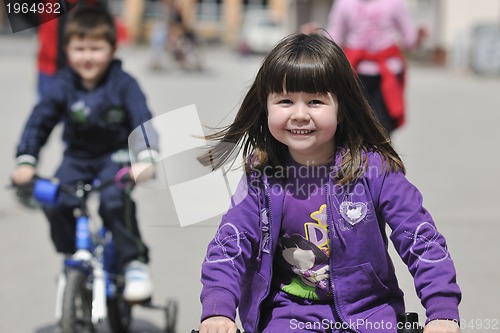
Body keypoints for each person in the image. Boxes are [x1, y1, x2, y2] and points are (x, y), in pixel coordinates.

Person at [196, 33, 461, 333]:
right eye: (285, 101)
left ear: (341, 107)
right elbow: (231, 242)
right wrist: (218, 309)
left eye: (315, 102)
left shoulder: (375, 170)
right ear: (265, 105)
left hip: (370, 315)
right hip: (288, 317)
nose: (299, 115)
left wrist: (442, 312)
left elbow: (419, 238)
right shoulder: (262, 175)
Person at [11, 5, 159, 303]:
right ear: (67, 49)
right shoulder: (62, 84)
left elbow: (141, 119)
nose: (87, 56)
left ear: (113, 48)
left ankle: (133, 263)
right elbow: (39, 121)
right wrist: (26, 159)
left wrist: (145, 158)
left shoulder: (123, 84)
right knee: (54, 198)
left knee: (114, 200)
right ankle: (74, 254)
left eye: (96, 48)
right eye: (79, 49)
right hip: (77, 157)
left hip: (114, 157)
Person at [326, 0, 427, 134]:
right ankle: (378, 154)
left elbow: (332, 41)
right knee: (379, 126)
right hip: (362, 70)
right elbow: (410, 41)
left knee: (360, 124)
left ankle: (371, 154)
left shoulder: (344, 3)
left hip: (374, 70)